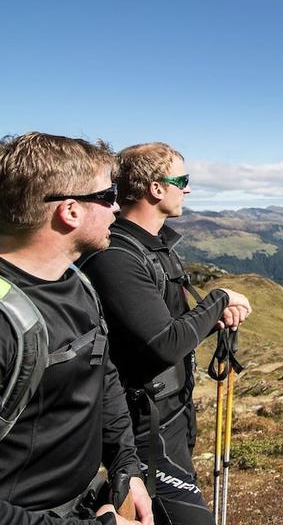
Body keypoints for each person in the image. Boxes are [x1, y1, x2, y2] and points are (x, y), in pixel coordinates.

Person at [81, 142, 252, 525]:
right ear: (156, 188)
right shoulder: (118, 256)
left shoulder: (154, 248)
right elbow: (162, 345)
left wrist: (212, 320)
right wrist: (218, 300)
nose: (187, 189)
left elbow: (162, 329)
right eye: (182, 180)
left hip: (171, 416)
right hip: (144, 426)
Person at [0, 132, 153, 525]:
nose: (117, 208)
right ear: (70, 210)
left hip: (85, 506)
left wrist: (126, 466)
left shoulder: (77, 282)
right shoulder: (5, 323)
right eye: (107, 196)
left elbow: (101, 373)